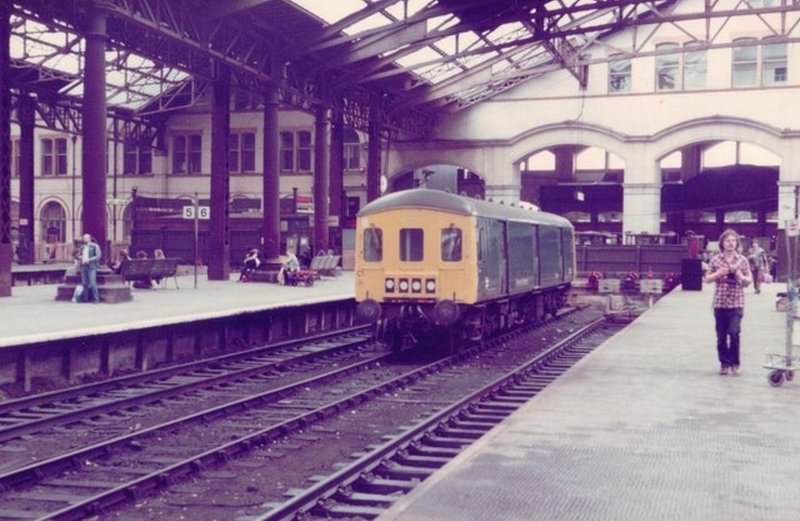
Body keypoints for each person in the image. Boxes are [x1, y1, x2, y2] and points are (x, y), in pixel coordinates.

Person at [704, 229, 752, 376]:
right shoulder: (715, 260)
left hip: (737, 303)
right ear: (722, 243)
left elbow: (749, 280)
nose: (731, 243)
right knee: (721, 337)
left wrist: (741, 277)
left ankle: (735, 364)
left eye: (733, 240)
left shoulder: (742, 260)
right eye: (727, 241)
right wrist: (719, 273)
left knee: (734, 332)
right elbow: (706, 279)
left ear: (737, 243)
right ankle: (724, 364)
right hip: (720, 303)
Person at [78, 233, 102, 303]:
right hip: (83, 266)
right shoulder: (82, 247)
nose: (85, 239)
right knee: (84, 283)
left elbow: (98, 256)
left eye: (86, 238)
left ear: (89, 238)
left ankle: (96, 299)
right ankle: (85, 298)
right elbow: (79, 254)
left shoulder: (95, 246)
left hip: (91, 266)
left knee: (92, 282)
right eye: (84, 238)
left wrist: (90, 259)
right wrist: (79, 257)